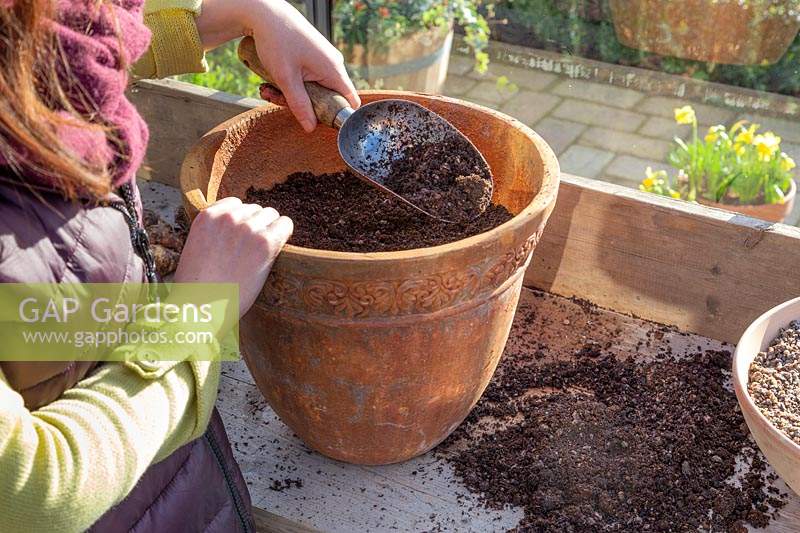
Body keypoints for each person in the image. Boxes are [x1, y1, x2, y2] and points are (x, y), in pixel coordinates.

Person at [0, 0, 360, 531]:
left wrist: (243, 16)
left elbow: (36, 54)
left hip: (160, 481)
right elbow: (38, 492)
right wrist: (194, 314)